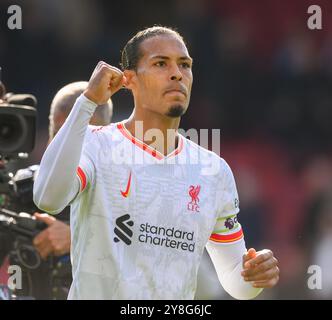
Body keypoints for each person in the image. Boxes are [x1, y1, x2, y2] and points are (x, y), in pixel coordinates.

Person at [33, 26, 279, 300]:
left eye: (184, 65)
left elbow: (237, 282)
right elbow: (48, 198)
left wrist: (254, 275)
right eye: (160, 63)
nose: (177, 73)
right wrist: (88, 101)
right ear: (129, 80)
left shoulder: (213, 171)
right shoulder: (96, 144)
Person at [33, 81, 113, 260]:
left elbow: (141, 246)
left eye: (77, 136)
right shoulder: (24, 187)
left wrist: (74, 237)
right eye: (59, 134)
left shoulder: (123, 190)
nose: (64, 147)